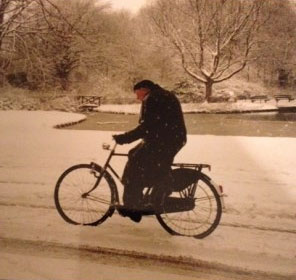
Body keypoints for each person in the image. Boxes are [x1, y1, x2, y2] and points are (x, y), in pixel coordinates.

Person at [113, 80, 187, 222]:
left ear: (144, 89)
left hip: (164, 140)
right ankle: (153, 191)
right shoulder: (161, 95)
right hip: (171, 138)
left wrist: (124, 138)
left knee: (136, 160)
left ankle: (133, 207)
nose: (137, 97)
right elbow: (153, 124)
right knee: (136, 155)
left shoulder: (154, 98)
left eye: (137, 93)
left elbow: (147, 126)